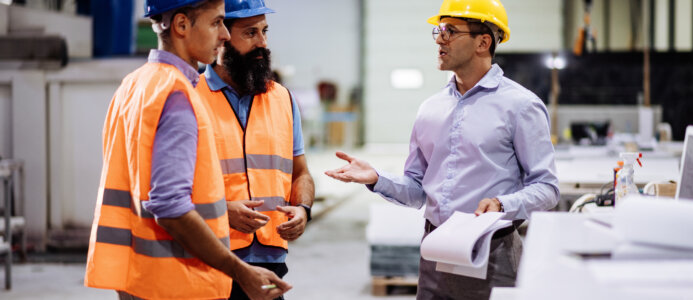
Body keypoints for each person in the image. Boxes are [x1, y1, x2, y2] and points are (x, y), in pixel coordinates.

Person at [325, 0, 559, 299]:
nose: (439, 38)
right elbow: (418, 190)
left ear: (483, 42)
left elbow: (547, 188)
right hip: (435, 250)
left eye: (450, 31)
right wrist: (376, 178)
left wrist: (503, 203)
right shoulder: (430, 109)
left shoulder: (520, 106)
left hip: (492, 252)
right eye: (438, 30)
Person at [84, 1, 291, 299]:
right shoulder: (177, 96)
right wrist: (239, 270)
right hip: (177, 282)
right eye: (216, 23)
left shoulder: (133, 86)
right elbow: (170, 207)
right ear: (181, 25)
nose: (224, 35)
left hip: (138, 279)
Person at [195, 0, 315, 299]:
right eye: (250, 33)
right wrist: (222, 211)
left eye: (264, 31)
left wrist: (303, 209)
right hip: (209, 258)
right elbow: (168, 193)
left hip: (271, 263)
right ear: (221, 35)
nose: (262, 43)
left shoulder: (282, 99)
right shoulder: (189, 97)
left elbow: (301, 173)